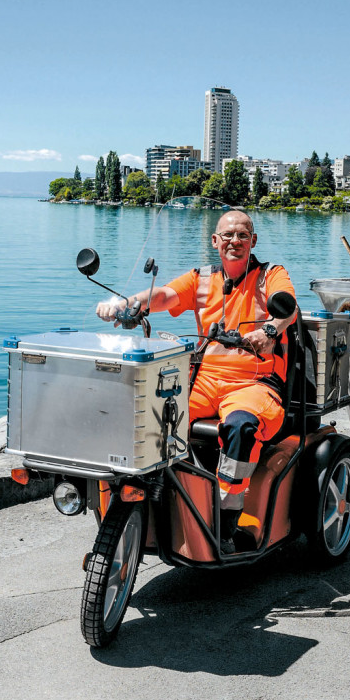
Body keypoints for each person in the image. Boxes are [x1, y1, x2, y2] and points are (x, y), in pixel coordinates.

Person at [96, 210, 296, 553]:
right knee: (146, 410)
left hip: (254, 382)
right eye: (227, 235)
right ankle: (144, 489)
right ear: (215, 241)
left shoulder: (270, 275)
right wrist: (126, 304)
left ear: (253, 241)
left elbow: (287, 308)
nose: (235, 241)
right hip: (204, 378)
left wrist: (269, 330)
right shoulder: (201, 278)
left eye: (242, 235)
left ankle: (227, 515)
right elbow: (164, 296)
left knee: (241, 426)